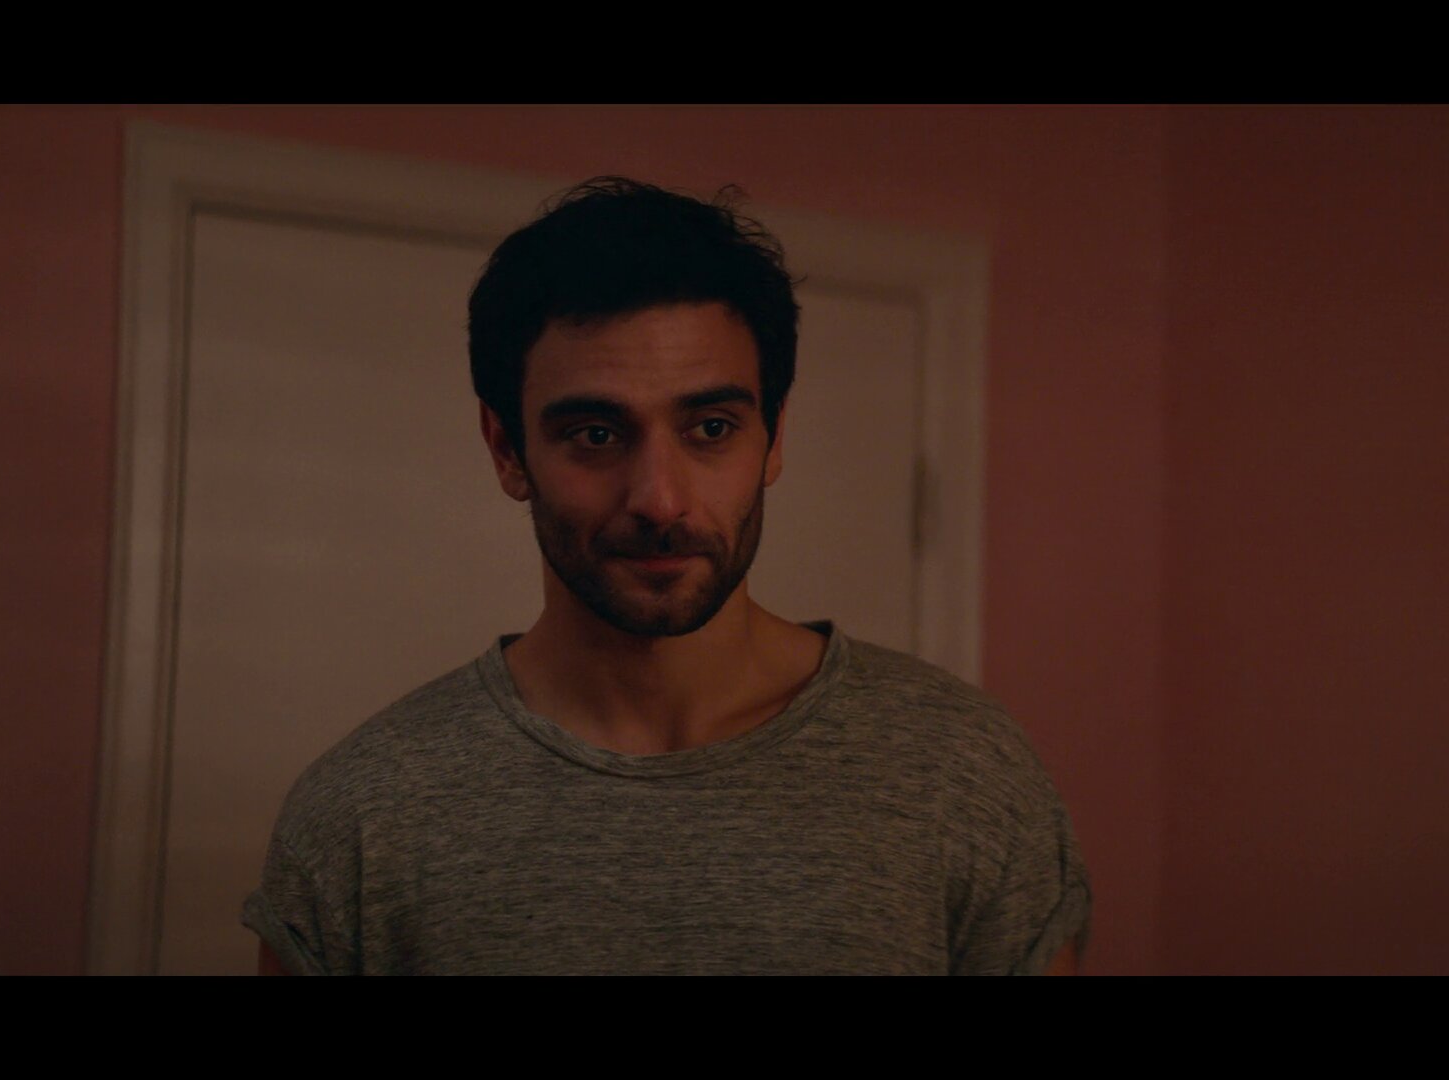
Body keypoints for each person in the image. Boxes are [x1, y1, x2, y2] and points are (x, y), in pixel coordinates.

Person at [241, 177, 1091, 975]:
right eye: (596, 434)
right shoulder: (365, 815)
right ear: (507, 451)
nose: (659, 499)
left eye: (711, 427)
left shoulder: (959, 774)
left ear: (774, 440)